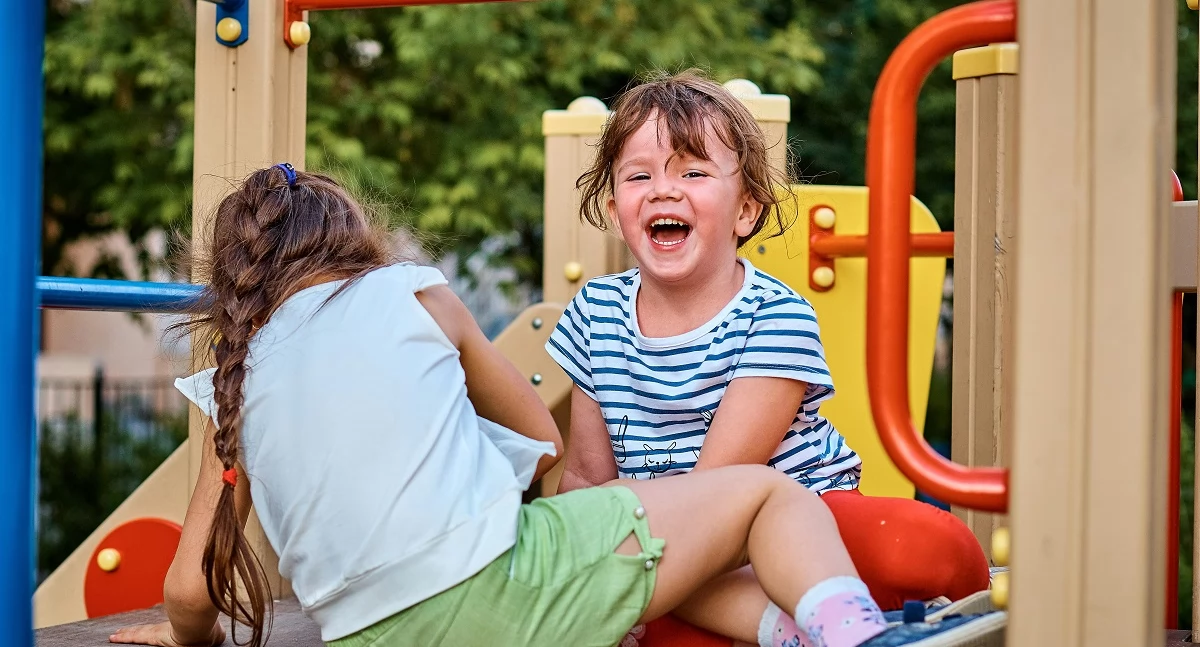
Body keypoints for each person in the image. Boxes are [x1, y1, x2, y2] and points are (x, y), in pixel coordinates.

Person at [105, 165, 994, 647]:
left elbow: (189, 591)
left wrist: (185, 640)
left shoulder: (238, 371)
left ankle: (779, 631)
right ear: (357, 239)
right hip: (500, 594)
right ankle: (855, 638)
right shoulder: (414, 292)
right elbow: (538, 441)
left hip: (362, 634)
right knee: (769, 495)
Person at [546, 70, 993, 647]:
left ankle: (834, 612)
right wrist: (587, 584)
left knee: (920, 543)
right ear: (615, 209)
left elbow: (720, 493)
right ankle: (825, 633)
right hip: (669, 544)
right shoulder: (595, 311)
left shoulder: (774, 315)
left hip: (797, 523)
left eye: (693, 171)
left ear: (745, 213)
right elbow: (586, 476)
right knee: (626, 599)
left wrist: (634, 578)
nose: (663, 189)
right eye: (640, 175)